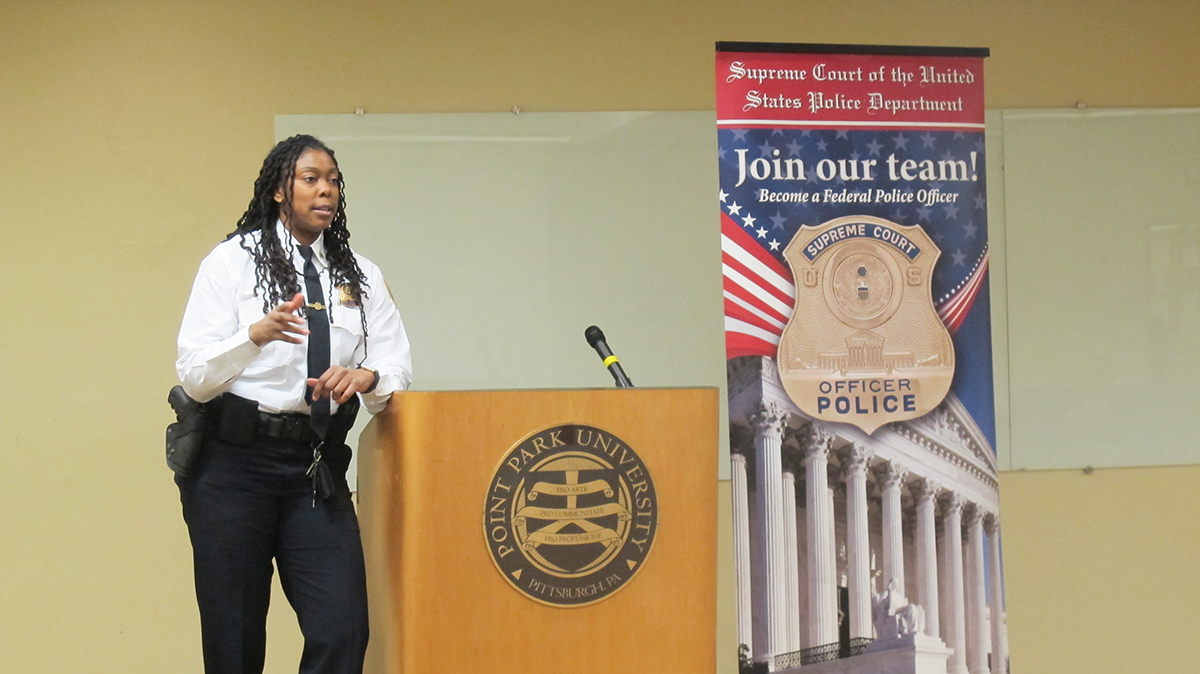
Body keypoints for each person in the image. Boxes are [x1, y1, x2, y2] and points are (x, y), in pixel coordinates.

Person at [175, 134, 412, 674]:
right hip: (233, 464)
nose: (325, 190)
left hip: (316, 466)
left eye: (332, 180)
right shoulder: (232, 262)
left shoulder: (362, 276)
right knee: (234, 642)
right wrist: (253, 336)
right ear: (281, 189)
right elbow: (194, 375)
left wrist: (368, 374)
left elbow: (397, 366)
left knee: (344, 628)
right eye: (311, 178)